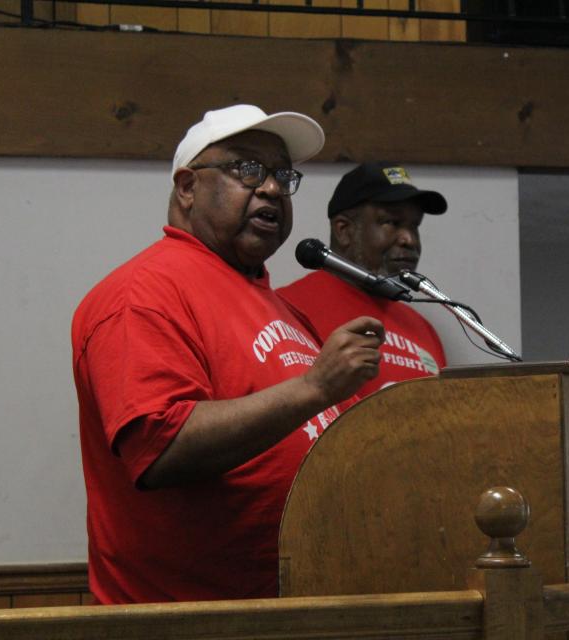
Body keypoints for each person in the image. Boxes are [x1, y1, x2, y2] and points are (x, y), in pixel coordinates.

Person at [71, 104, 384, 604]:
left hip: (299, 603)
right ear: (187, 187)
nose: (273, 189)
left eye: (282, 175)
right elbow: (161, 448)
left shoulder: (276, 305)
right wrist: (315, 387)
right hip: (190, 620)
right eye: (247, 169)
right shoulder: (144, 292)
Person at [278, 162, 447, 398]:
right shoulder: (286, 308)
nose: (409, 239)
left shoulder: (423, 328)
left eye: (414, 226)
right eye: (392, 223)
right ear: (344, 230)